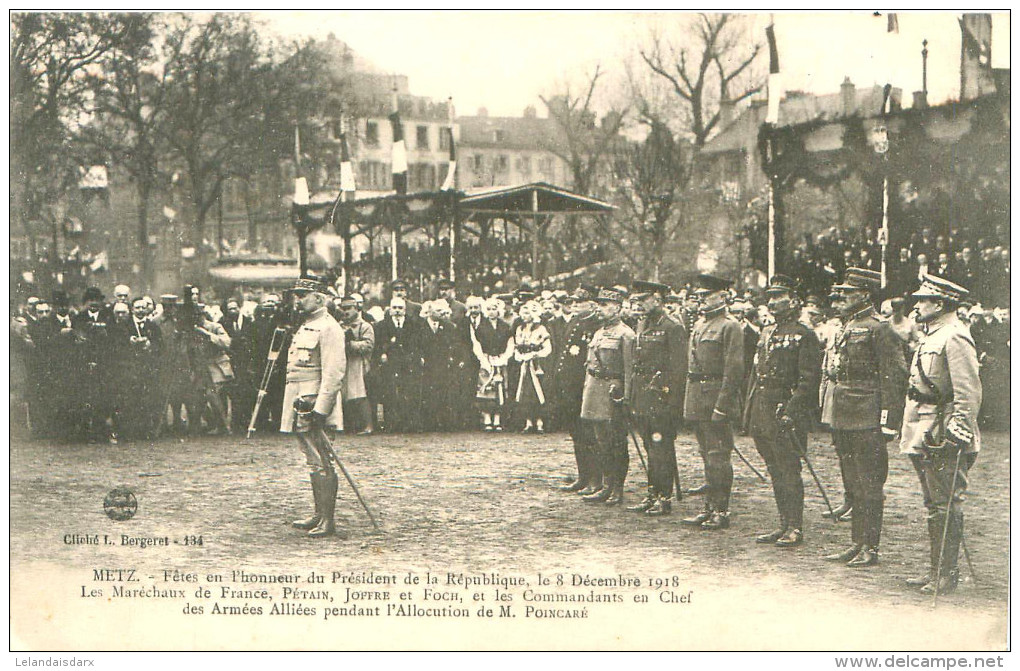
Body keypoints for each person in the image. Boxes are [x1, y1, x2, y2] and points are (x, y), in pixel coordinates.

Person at [899, 275, 981, 594]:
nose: (917, 305)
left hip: (944, 428)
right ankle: (936, 569)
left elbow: (968, 391)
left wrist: (957, 431)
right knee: (934, 502)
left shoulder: (955, 336)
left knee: (945, 502)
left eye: (923, 300)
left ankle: (947, 573)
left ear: (941, 304)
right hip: (926, 424)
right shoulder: (933, 334)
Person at [822, 268, 907, 568]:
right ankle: (857, 542)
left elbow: (894, 375)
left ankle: (871, 546)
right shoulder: (849, 325)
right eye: (842, 292)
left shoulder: (878, 328)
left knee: (870, 485)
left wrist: (888, 421)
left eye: (848, 292)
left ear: (865, 295)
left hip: (868, 414)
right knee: (853, 483)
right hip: (845, 412)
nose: (841, 296)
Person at [745, 275, 821, 547]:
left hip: (786, 408)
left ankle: (795, 526)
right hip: (763, 407)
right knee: (774, 467)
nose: (773, 302)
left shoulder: (804, 335)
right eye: (771, 297)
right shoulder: (766, 332)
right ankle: (782, 523)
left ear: (794, 300)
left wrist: (793, 411)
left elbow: (809, 379)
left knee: (789, 467)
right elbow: (757, 373)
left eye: (780, 297)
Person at [283, 278, 347, 539]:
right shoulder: (307, 325)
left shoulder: (329, 328)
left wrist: (321, 410)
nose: (297, 301)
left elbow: (334, 373)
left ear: (320, 298)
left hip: (315, 404)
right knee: (312, 460)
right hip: (300, 400)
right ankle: (319, 513)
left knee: (323, 461)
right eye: (296, 296)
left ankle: (328, 520)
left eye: (303, 296)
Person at [681, 274, 744, 531]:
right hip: (698, 395)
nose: (702, 301)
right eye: (700, 297)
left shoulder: (730, 326)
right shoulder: (700, 325)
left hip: (716, 396)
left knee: (718, 455)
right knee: (706, 454)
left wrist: (723, 404)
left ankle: (721, 510)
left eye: (707, 296)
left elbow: (734, 369)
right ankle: (709, 507)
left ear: (723, 297)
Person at [626, 281, 688, 517]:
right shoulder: (643, 324)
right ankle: (653, 493)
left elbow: (679, 369)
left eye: (643, 300)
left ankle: (665, 497)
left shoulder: (672, 327)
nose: (638, 305)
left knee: (661, 447)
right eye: (636, 300)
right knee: (649, 446)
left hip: (661, 399)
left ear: (658, 299)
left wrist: (671, 402)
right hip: (643, 396)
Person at [580, 288, 635, 506]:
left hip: (613, 389)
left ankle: (617, 489)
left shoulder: (626, 334)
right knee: (599, 440)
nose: (600, 309)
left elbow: (630, 369)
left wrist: (627, 396)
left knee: (616, 441)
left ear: (618, 308)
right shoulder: (598, 333)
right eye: (599, 305)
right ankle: (605, 484)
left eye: (605, 305)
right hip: (594, 389)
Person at [373, 297, 423, 432]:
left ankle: (408, 423)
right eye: (394, 308)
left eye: (400, 308)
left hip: (407, 362)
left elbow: (417, 343)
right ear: (390, 310)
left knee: (407, 390)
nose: (397, 311)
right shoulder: (382, 325)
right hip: (390, 361)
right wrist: (383, 353)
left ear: (405, 310)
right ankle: (391, 423)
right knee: (389, 392)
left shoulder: (412, 324)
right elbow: (378, 344)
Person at [471, 297, 514, 431]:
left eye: (494, 309)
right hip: (487, 360)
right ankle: (487, 418)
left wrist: (504, 357)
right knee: (487, 388)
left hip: (500, 360)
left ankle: (498, 418)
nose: (491, 312)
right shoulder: (481, 327)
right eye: (488, 309)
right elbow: (476, 345)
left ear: (499, 310)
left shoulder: (505, 326)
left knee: (500, 389)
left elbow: (510, 344)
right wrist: (483, 360)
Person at [513, 301, 553, 434]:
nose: (524, 316)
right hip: (524, 365)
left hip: (538, 366)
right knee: (525, 392)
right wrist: (521, 356)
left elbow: (548, 348)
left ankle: (540, 422)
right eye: (523, 313)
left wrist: (536, 354)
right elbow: (516, 348)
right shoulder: (520, 329)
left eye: (527, 313)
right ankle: (528, 422)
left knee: (539, 392)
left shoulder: (541, 329)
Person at [338, 295, 375, 435]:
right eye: (343, 308)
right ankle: (349, 425)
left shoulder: (365, 326)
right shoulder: (339, 326)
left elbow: (369, 345)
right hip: (343, 362)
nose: (345, 312)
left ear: (356, 308)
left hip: (357, 363)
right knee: (344, 394)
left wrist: (350, 344)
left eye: (348, 308)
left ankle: (368, 425)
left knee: (359, 394)